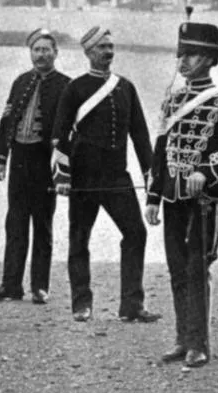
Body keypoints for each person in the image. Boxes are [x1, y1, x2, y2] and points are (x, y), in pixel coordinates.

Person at [145, 16, 218, 369]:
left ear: (209, 58)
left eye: (190, 55)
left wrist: (206, 171)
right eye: (181, 54)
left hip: (205, 199)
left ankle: (199, 343)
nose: (182, 61)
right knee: (176, 269)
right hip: (173, 197)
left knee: (197, 268)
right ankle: (182, 337)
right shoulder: (173, 101)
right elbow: (160, 151)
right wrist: (154, 196)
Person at [50, 26, 160, 323]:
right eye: (102, 47)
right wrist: (62, 176)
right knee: (78, 239)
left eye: (111, 46)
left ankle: (131, 305)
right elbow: (59, 136)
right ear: (88, 53)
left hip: (117, 178)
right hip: (83, 179)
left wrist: (152, 177)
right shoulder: (75, 89)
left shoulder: (126, 87)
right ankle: (81, 303)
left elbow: (140, 137)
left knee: (135, 233)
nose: (108, 52)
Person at [0, 28, 69, 305]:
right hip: (19, 160)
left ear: (56, 53)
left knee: (42, 224)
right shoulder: (20, 82)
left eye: (46, 49)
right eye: (36, 50)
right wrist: (0, 158)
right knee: (15, 223)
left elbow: (68, 132)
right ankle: (10, 285)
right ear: (30, 53)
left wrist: (63, 169)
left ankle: (39, 286)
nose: (41, 55)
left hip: (45, 163)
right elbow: (7, 121)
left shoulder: (66, 85)